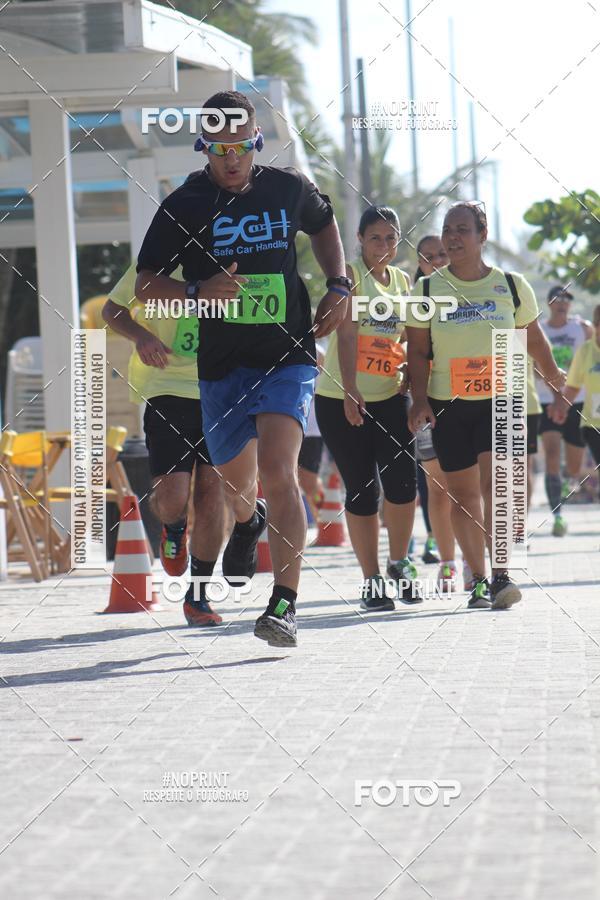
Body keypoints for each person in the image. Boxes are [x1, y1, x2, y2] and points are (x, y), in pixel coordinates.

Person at [134, 90, 348, 648]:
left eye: (241, 147)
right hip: (221, 366)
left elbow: (324, 226)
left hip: (286, 355)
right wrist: (196, 289)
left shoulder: (288, 187)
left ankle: (284, 604)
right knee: (236, 486)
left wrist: (339, 285)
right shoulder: (185, 204)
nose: (231, 160)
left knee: (280, 471)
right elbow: (144, 283)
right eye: (219, 149)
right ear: (203, 148)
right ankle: (249, 522)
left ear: (257, 144)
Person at [406, 202, 565, 610]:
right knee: (461, 496)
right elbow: (418, 349)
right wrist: (419, 400)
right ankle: (477, 578)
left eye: (462, 229)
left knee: (497, 488)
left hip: (502, 398)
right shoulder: (425, 289)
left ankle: (501, 575)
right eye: (447, 230)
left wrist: (554, 380)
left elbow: (533, 339)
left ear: (482, 236)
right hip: (448, 403)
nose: (452, 237)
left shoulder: (511, 285)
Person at [102, 262, 227, 627]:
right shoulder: (156, 263)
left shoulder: (229, 256)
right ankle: (174, 530)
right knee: (172, 498)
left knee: (211, 490)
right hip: (166, 388)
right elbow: (113, 310)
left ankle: (199, 595)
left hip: (221, 389)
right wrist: (141, 335)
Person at [315, 206, 420, 610]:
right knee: (362, 492)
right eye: (376, 237)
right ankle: (372, 581)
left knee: (403, 487)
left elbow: (408, 333)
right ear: (359, 239)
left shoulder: (402, 280)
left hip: (392, 396)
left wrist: (411, 361)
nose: (384, 245)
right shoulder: (351, 277)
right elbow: (346, 333)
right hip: (343, 398)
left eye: (391, 238)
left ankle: (399, 561)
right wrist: (350, 389)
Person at [412, 234, 460, 591]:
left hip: (473, 403)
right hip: (426, 404)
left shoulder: (475, 289)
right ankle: (448, 563)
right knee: (437, 489)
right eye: (429, 257)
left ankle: (485, 566)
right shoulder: (418, 294)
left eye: (442, 254)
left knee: (474, 488)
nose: (437, 261)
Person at [536, 285, 593, 536]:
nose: (562, 304)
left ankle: (569, 481)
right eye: (557, 300)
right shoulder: (539, 329)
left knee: (573, 463)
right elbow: (533, 364)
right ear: (549, 304)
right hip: (546, 399)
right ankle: (557, 515)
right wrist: (553, 387)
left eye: (566, 300)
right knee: (550, 452)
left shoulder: (582, 328)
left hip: (577, 400)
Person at [552, 303, 600, 492]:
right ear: (596, 325)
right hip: (593, 425)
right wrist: (561, 408)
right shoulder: (586, 351)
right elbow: (572, 386)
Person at [298, 343, 326, 526]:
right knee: (293, 476)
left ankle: (321, 516)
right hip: (292, 423)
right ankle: (314, 517)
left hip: (313, 428)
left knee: (308, 480)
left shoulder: (318, 351)